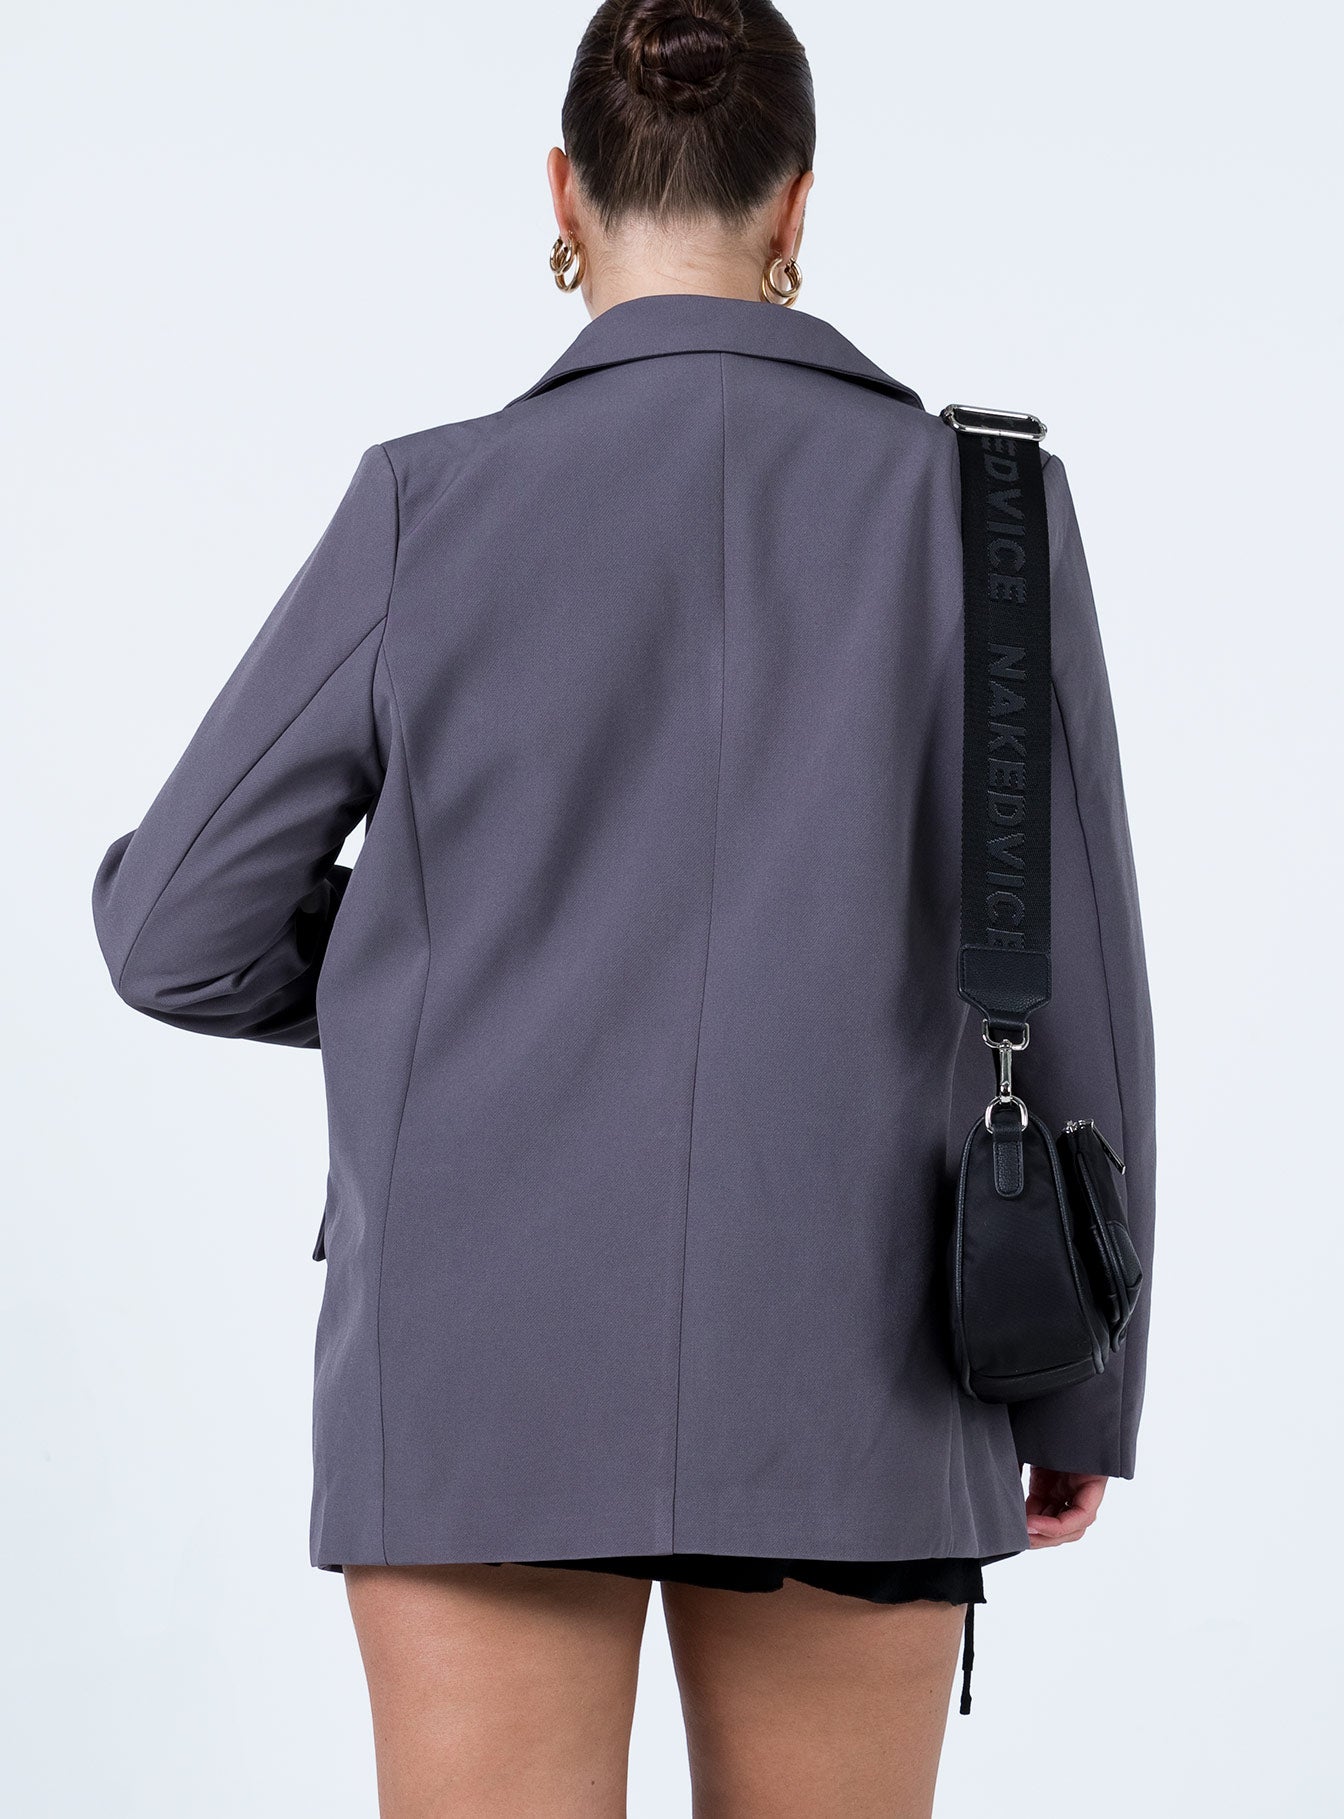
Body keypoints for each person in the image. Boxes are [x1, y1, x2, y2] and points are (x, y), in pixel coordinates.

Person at [89, 1, 1158, 1813]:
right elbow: (1079, 986)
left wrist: (459, 955)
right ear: (797, 201)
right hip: (876, 1350)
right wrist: (1078, 1393)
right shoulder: (994, 510)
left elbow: (171, 924)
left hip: (479, 1357)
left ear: (564, 194)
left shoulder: (428, 502)